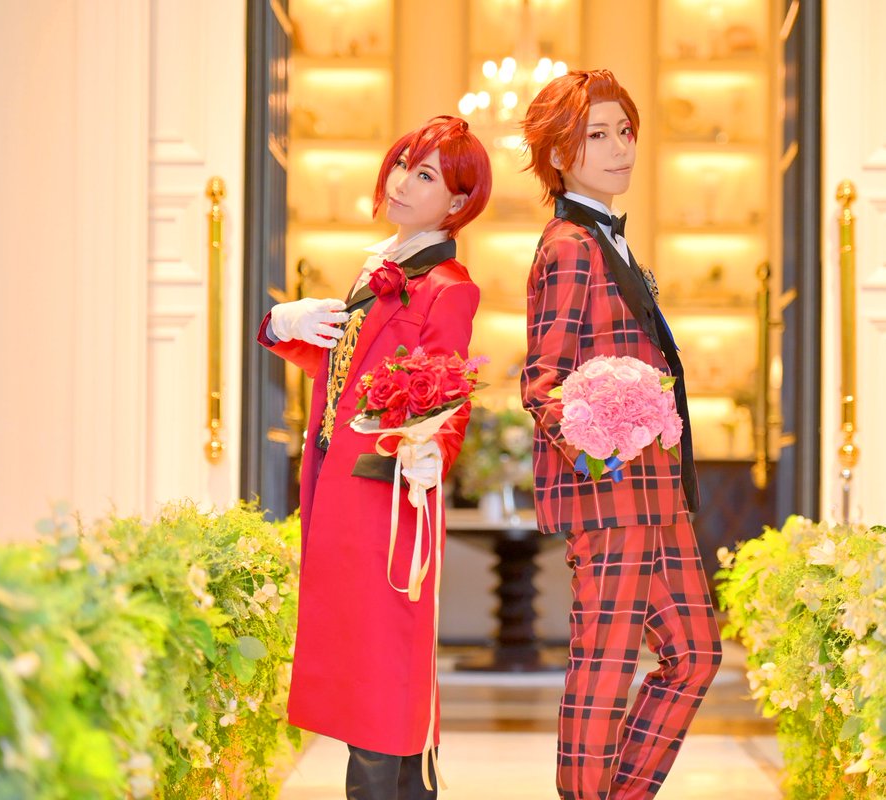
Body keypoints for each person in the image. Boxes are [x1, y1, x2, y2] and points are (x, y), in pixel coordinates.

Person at [258, 115, 491, 800]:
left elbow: (447, 390)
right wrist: (282, 325)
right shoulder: (381, 266)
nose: (401, 182)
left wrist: (434, 452)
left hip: (390, 501)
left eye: (425, 175)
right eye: (402, 164)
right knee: (364, 669)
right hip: (340, 489)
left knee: (384, 672)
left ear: (457, 202)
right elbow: (354, 372)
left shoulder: (448, 285)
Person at [519, 70, 723, 799]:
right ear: (558, 154)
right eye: (596, 135)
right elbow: (541, 382)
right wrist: (600, 456)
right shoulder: (570, 245)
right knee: (604, 670)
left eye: (624, 131)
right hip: (611, 496)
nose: (619, 148)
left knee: (695, 655)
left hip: (657, 493)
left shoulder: (609, 241)